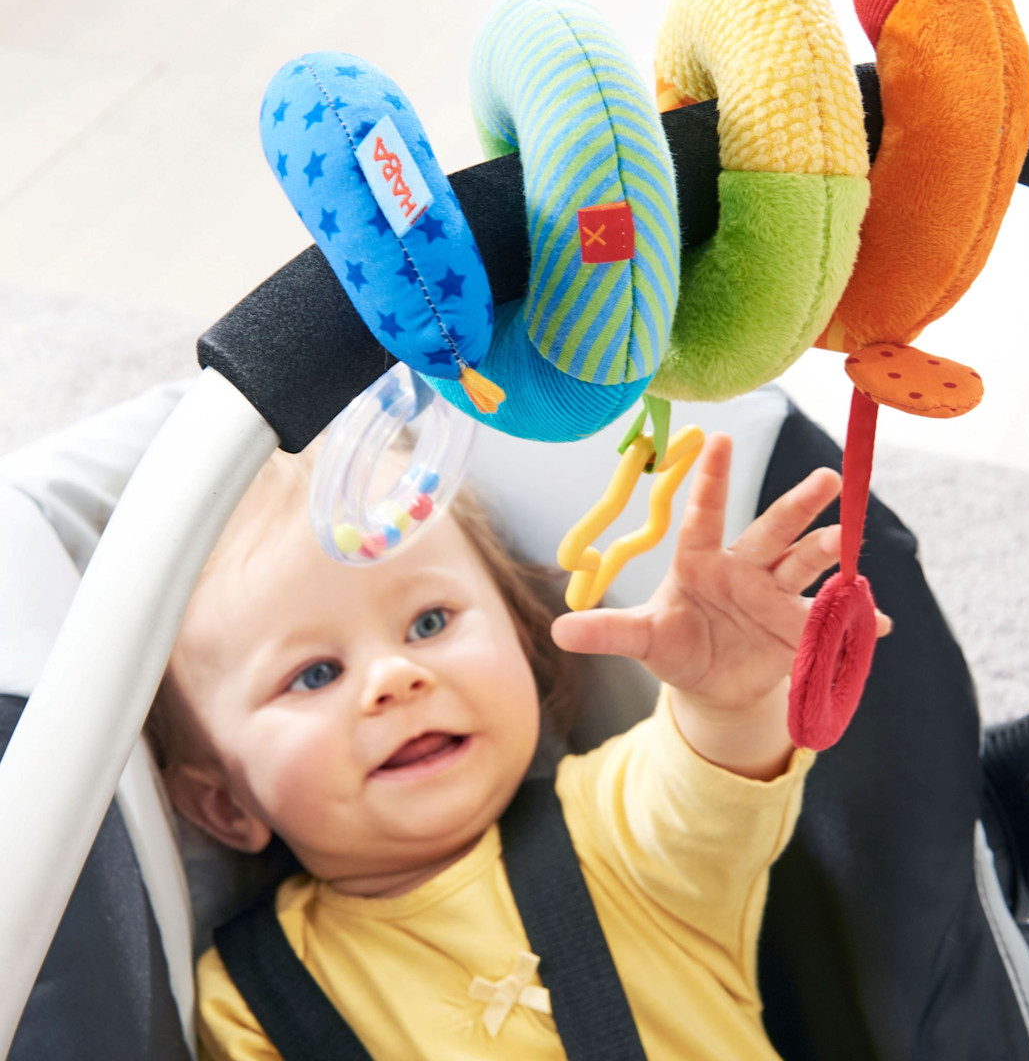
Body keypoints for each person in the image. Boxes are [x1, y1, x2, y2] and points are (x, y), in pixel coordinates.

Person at [148, 431, 888, 1059]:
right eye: (314, 674)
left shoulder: (616, 826)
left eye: (431, 623)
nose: (396, 678)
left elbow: (712, 767)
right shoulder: (251, 1000)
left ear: (524, 644)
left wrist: (727, 693)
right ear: (222, 803)